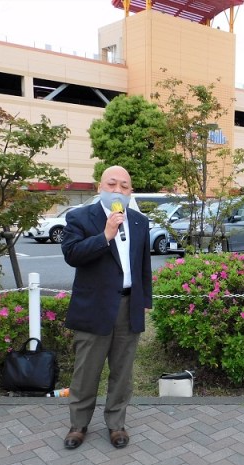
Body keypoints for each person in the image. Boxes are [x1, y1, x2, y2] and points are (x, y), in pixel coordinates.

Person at [60, 165, 152, 450]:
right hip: (94, 306)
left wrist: (144, 302)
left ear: (131, 191)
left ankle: (116, 424)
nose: (118, 190)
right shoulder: (79, 217)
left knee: (122, 373)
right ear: (99, 186)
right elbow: (72, 254)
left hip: (128, 305)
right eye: (112, 184)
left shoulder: (138, 221)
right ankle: (78, 424)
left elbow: (143, 266)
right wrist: (106, 235)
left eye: (124, 185)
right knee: (86, 370)